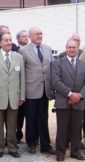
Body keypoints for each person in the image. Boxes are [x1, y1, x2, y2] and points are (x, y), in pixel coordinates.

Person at [0, 33, 25, 158]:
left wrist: (21, 96)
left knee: (12, 125)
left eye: (10, 40)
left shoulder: (19, 57)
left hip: (14, 97)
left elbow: (22, 78)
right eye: (6, 40)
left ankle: (12, 148)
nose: (8, 42)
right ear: (0, 42)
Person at [18, 26, 55, 155]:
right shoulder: (23, 51)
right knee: (31, 118)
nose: (40, 36)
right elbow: (20, 73)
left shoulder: (47, 49)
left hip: (45, 90)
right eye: (37, 34)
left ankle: (45, 145)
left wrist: (52, 88)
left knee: (44, 118)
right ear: (31, 36)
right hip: (31, 90)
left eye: (41, 33)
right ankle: (31, 143)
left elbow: (51, 68)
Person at [52, 39, 85, 161]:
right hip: (63, 101)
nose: (72, 49)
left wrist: (79, 95)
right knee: (62, 128)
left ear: (78, 48)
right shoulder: (57, 63)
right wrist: (70, 94)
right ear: (66, 48)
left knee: (76, 128)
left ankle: (75, 151)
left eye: (74, 47)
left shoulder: (83, 64)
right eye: (69, 47)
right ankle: (60, 152)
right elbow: (56, 82)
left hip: (78, 102)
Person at [15, 29, 28, 144]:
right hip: (17, 89)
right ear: (18, 39)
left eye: (27, 36)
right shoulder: (14, 49)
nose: (26, 38)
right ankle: (17, 134)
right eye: (23, 36)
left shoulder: (30, 50)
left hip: (29, 88)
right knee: (18, 115)